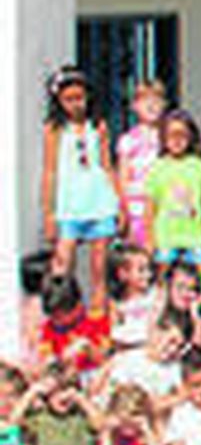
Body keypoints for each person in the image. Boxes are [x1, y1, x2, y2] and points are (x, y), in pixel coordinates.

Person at [41, 67, 120, 310]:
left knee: (99, 269)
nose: (76, 104)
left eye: (80, 98)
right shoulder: (54, 129)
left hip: (99, 201)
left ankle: (98, 319)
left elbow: (108, 166)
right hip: (69, 205)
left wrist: (119, 203)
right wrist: (49, 212)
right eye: (69, 99)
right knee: (62, 266)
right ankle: (63, 317)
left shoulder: (98, 126)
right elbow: (50, 170)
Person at [146, 111, 201, 269]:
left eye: (182, 135)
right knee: (163, 276)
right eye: (171, 135)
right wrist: (150, 239)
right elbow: (150, 207)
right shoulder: (158, 168)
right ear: (163, 138)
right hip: (166, 237)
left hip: (196, 237)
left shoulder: (200, 166)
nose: (177, 140)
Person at [116, 78, 168, 250]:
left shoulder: (169, 138)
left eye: (157, 100)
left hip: (165, 207)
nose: (151, 105)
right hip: (137, 207)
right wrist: (124, 211)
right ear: (134, 106)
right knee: (139, 254)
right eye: (145, 100)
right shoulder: (128, 140)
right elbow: (123, 178)